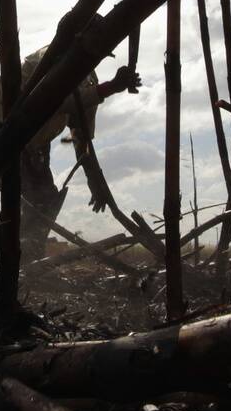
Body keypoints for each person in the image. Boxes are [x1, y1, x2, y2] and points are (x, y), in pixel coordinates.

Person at [14, 45, 138, 261]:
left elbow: (81, 137)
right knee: (28, 198)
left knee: (46, 200)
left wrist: (94, 181)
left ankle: (27, 261)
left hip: (36, 145)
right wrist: (109, 88)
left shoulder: (88, 80)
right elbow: (55, 100)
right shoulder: (50, 59)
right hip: (4, 132)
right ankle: (11, 260)